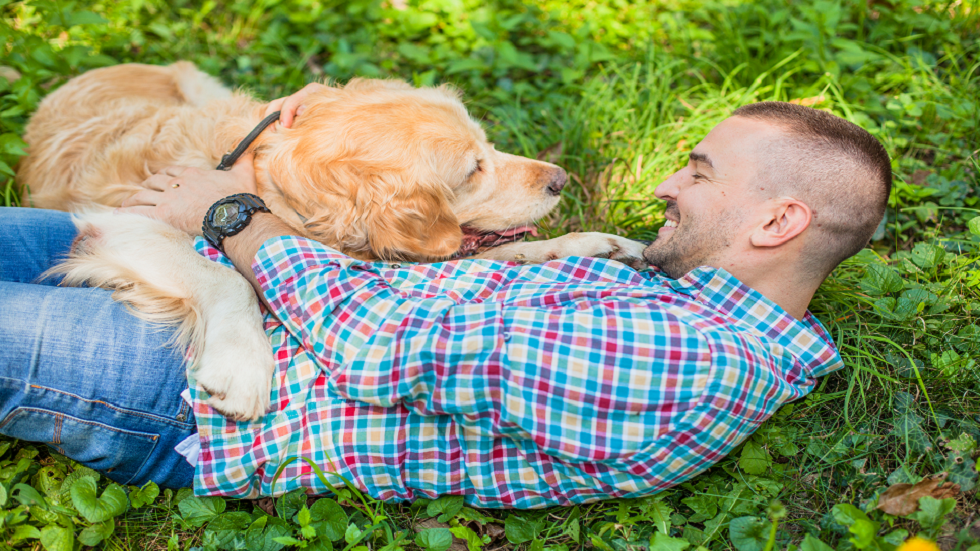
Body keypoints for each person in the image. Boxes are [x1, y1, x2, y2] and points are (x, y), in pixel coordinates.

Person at [0, 99, 891, 507]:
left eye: (697, 173)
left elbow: (378, 342)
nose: (664, 183)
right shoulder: (674, 296)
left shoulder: (687, 364)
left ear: (779, 219)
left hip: (189, 387)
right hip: (195, 275)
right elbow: (435, 286)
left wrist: (234, 213)